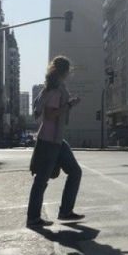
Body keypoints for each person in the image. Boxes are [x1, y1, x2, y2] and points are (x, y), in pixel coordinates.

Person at [26, 56, 84, 227]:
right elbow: (50, 115)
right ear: (64, 71)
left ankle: (65, 211)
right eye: (68, 71)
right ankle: (33, 217)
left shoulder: (57, 87)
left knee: (75, 172)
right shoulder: (54, 90)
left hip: (57, 140)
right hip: (48, 141)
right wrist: (71, 104)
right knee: (41, 180)